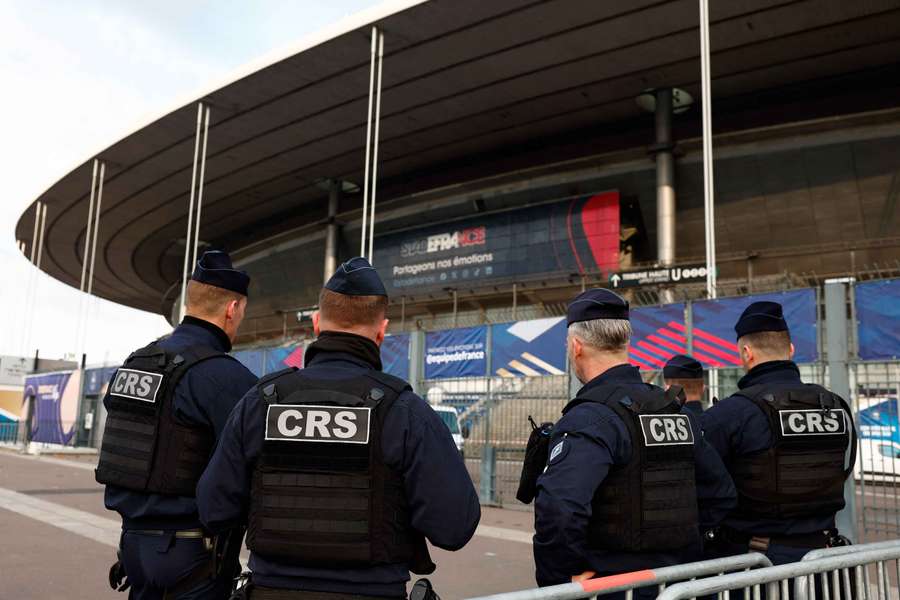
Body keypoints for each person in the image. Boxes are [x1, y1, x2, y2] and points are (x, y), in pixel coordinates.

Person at [197, 257, 480, 600]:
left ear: (316, 324)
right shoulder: (404, 411)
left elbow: (214, 508)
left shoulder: (260, 401)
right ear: (382, 330)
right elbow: (454, 528)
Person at [533, 289, 736, 595]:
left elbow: (560, 511)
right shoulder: (673, 410)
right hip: (678, 584)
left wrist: (559, 585)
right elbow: (721, 494)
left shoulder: (590, 418)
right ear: (624, 343)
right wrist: (675, 549)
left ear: (576, 347)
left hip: (614, 586)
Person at [97, 250, 258, 599]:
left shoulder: (136, 362)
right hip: (191, 555)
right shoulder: (226, 378)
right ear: (232, 309)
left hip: (133, 548)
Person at [700, 301, 855, 565]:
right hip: (824, 562)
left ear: (747, 353)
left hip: (757, 567)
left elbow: (704, 490)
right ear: (791, 349)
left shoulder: (729, 414)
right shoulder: (834, 406)